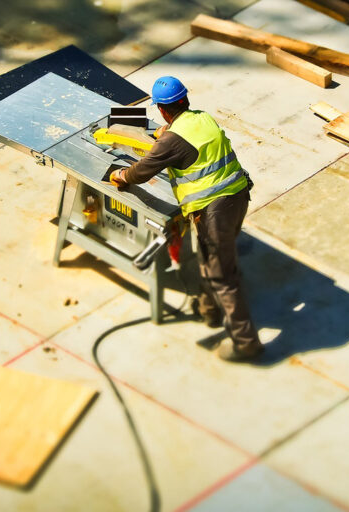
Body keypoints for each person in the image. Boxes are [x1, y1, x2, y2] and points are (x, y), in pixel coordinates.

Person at [109, 76, 264, 362]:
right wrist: (168, 133)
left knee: (222, 275)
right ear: (185, 100)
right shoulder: (201, 118)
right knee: (211, 257)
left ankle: (246, 342)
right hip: (239, 196)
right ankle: (210, 310)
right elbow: (187, 139)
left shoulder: (171, 141)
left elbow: (142, 172)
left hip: (213, 210)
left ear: (162, 109)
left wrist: (121, 175)